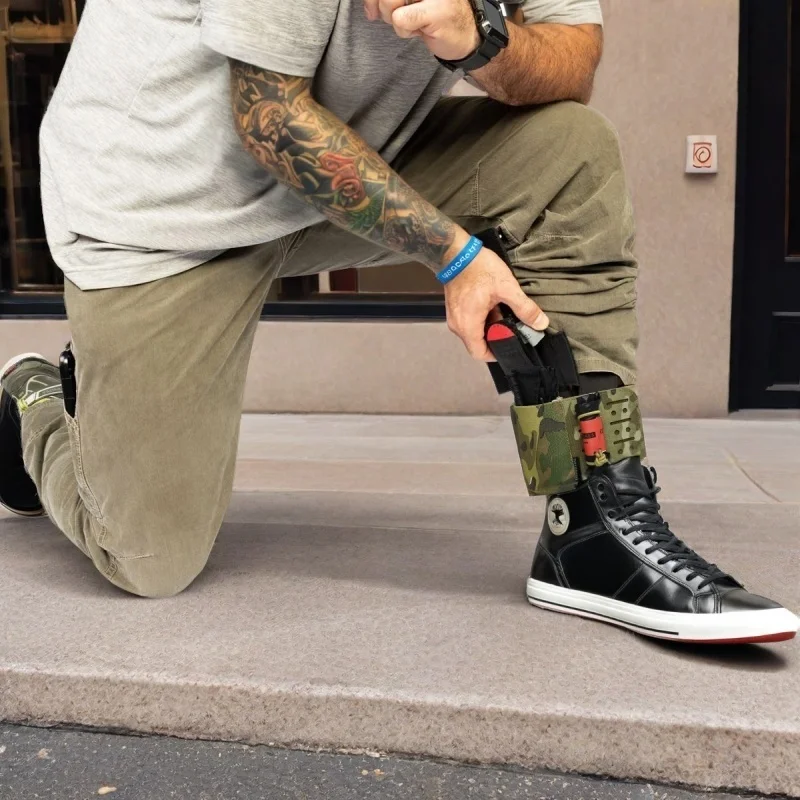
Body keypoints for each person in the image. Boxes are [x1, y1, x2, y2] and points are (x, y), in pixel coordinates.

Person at [1, 0, 797, 644]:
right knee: (147, 559)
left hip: (323, 169)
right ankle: (34, 399)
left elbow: (573, 60)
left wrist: (480, 34)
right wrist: (453, 255)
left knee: (569, 152)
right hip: (159, 206)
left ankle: (591, 522)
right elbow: (269, 117)